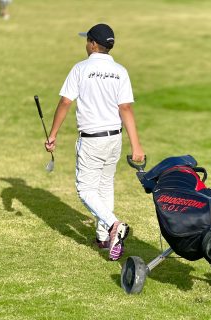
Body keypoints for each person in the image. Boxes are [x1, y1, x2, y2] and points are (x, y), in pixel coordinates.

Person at [44, 23, 145, 261]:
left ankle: (113, 225)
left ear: (92, 44)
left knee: (86, 189)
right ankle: (103, 238)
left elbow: (66, 102)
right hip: (115, 139)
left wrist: (53, 134)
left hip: (92, 140)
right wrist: (136, 145)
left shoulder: (80, 68)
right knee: (104, 186)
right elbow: (126, 108)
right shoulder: (120, 71)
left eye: (86, 41)